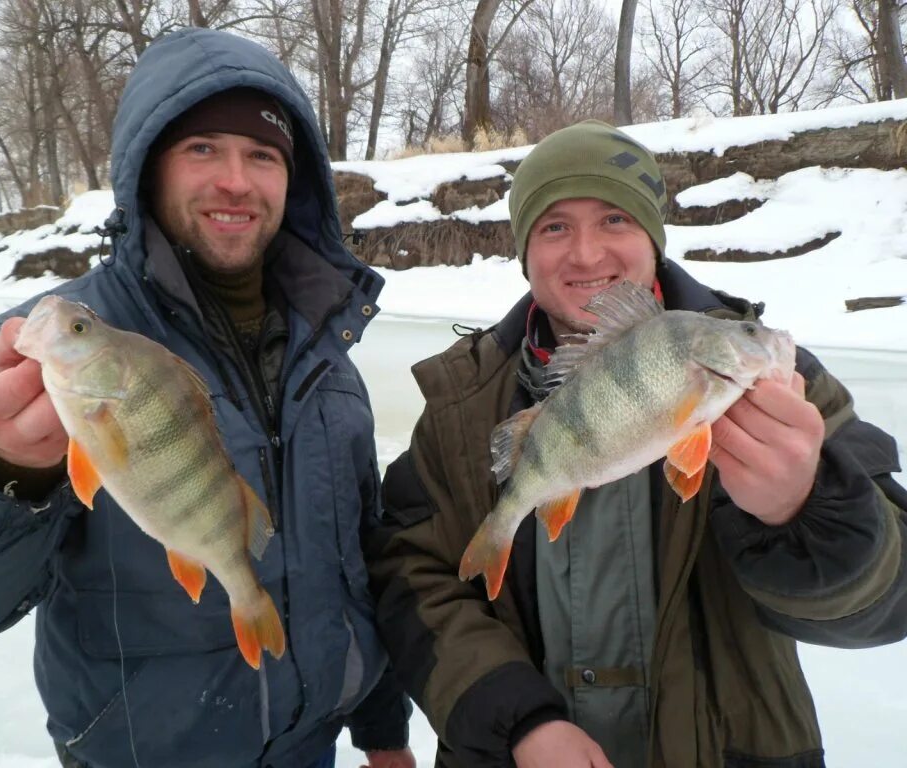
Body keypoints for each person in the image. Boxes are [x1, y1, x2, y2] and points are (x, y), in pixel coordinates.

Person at [0, 28, 415, 768]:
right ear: (148, 169)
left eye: (262, 155)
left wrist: (383, 730)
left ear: (294, 182)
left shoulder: (324, 352)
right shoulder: (55, 347)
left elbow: (359, 562)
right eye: (203, 149)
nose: (236, 179)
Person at [364, 120, 907, 768]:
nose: (587, 254)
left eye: (615, 219)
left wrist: (809, 506)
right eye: (555, 227)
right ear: (525, 250)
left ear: (653, 236)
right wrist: (516, 720)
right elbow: (406, 577)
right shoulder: (459, 405)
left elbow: (888, 603)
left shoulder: (781, 389)